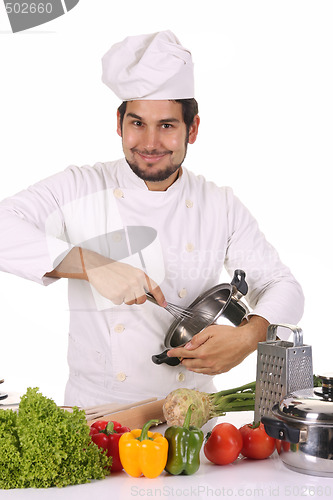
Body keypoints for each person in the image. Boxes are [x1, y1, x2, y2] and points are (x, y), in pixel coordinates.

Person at [0, 31, 304, 407]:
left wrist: (250, 336)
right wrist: (91, 264)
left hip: (192, 419)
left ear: (192, 129)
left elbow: (282, 284)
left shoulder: (218, 203)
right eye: (137, 123)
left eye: (167, 125)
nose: (149, 143)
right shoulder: (80, 186)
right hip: (98, 417)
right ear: (119, 123)